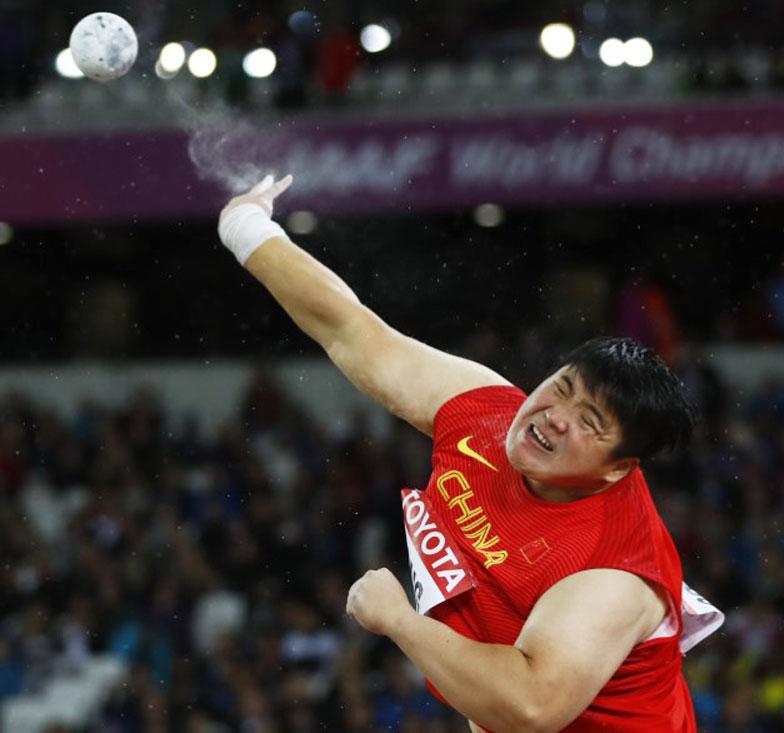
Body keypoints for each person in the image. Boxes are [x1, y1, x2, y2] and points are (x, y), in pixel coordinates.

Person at [216, 175, 723, 732]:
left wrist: (399, 622)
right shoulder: (483, 413)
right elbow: (352, 331)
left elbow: (532, 706)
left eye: (588, 422)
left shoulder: (614, 567)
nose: (555, 414)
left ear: (616, 470)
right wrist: (247, 230)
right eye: (563, 387)